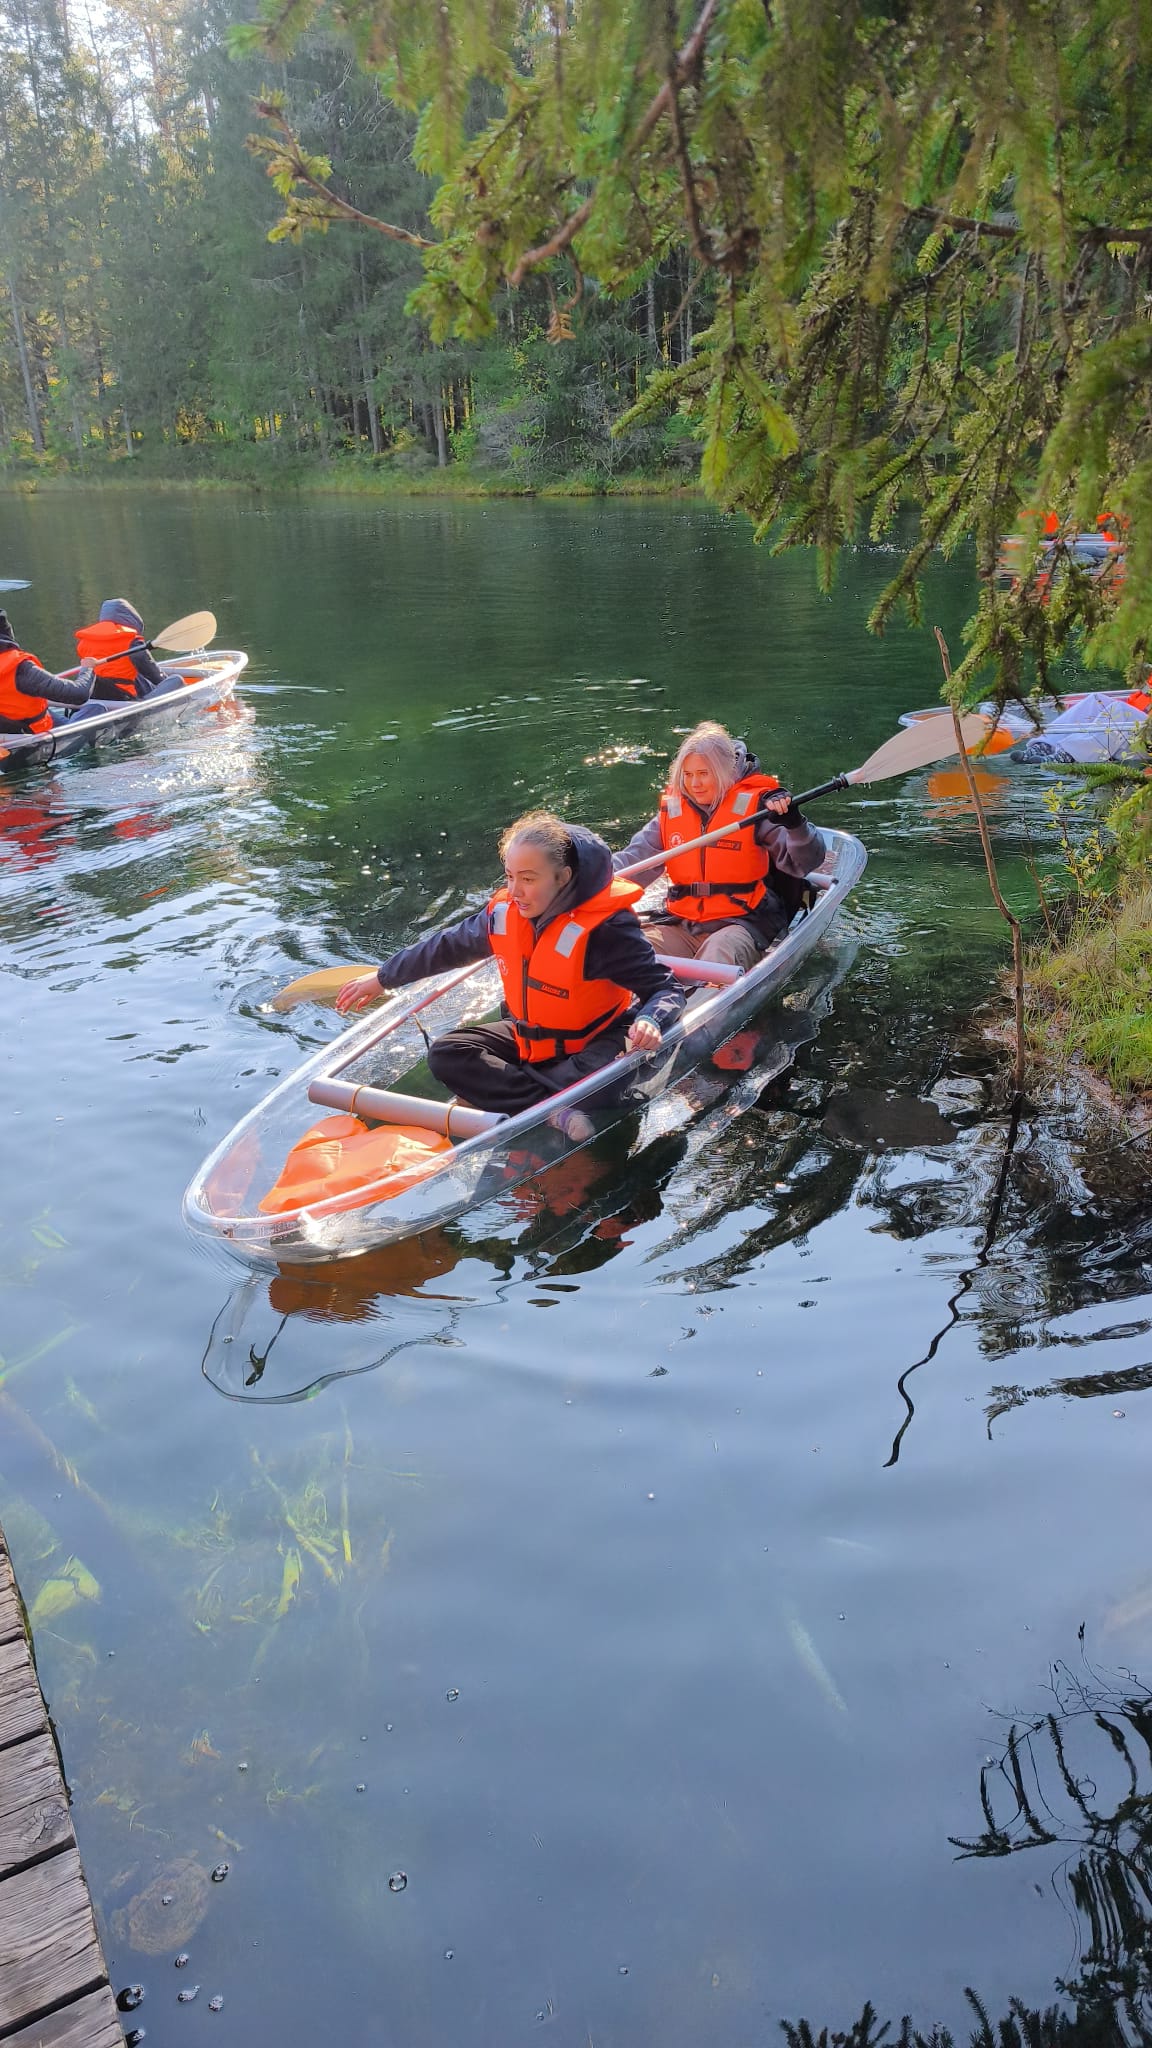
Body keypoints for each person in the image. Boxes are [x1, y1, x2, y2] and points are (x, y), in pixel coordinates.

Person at [336, 812, 685, 1122]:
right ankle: (552, 1111)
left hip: (592, 1042)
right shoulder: (504, 915)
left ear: (562, 878)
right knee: (446, 1054)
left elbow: (665, 988)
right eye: (509, 877)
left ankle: (523, 1099)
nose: (515, 891)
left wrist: (650, 1018)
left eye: (528, 879)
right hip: (528, 1039)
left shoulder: (605, 931)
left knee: (590, 1082)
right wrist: (382, 978)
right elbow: (445, 947)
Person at [612, 720, 825, 969]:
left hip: (741, 922)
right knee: (633, 952)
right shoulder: (672, 812)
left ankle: (704, 1003)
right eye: (688, 775)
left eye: (704, 774)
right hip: (683, 922)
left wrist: (795, 824)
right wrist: (588, 877)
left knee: (717, 954)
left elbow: (806, 862)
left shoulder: (756, 809)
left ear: (724, 771)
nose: (694, 784)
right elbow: (633, 861)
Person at [0, 608, 95, 734]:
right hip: (29, 735)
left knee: (44, 708)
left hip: (8, 727)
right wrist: (88, 668)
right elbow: (79, 694)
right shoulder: (20, 668)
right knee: (96, 708)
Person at [74, 598, 168, 702]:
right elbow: (153, 674)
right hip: (123, 697)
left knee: (134, 673)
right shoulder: (132, 641)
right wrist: (167, 682)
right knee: (176, 680)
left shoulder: (83, 642)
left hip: (93, 695)